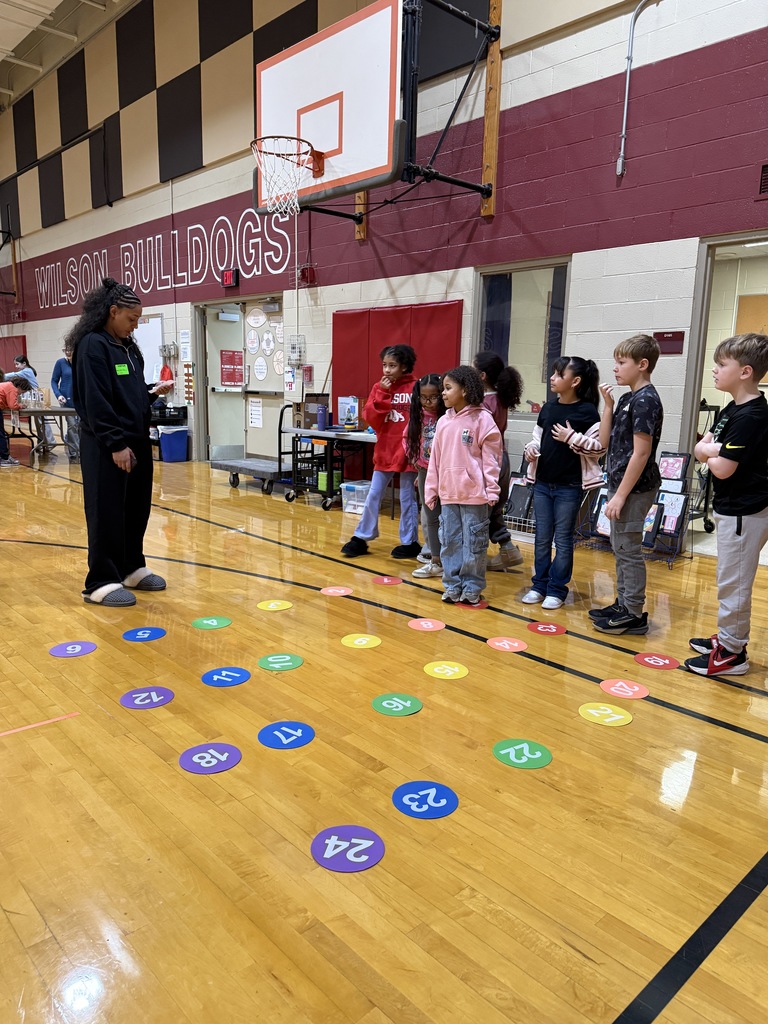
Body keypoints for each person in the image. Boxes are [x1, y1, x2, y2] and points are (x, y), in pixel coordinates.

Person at [67, 277, 173, 606]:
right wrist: (115, 444)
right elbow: (96, 401)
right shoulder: (92, 346)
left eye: (139, 320)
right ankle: (100, 580)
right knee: (106, 511)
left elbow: (129, 392)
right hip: (105, 446)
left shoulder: (128, 348)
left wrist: (151, 394)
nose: (135, 326)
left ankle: (130, 567)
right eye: (132, 319)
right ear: (112, 312)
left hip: (137, 441)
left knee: (135, 509)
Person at [685, 333, 768, 676]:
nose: (715, 371)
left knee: (733, 581)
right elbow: (704, 446)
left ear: (745, 371)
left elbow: (720, 466)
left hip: (744, 511)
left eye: (722, 365)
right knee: (729, 577)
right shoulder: (733, 408)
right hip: (732, 507)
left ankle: (732, 653)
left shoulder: (752, 416)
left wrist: (707, 451)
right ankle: (728, 636)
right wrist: (708, 450)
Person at [590, 334, 663, 635]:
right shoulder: (626, 398)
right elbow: (604, 442)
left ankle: (633, 612)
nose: (616, 369)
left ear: (642, 364)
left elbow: (642, 452)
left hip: (634, 488)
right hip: (620, 484)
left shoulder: (646, 400)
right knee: (619, 547)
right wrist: (607, 405)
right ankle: (623, 603)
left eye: (622, 362)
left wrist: (620, 496)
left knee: (629, 549)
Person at [523, 356, 604, 609]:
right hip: (543, 484)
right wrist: (531, 449)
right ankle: (539, 585)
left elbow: (598, 449)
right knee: (542, 538)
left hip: (569, 487)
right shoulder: (548, 408)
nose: (552, 378)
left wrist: (571, 437)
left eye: (559, 374)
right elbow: (537, 438)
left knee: (564, 539)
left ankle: (557, 589)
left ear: (575, 381)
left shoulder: (588, 411)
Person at [425, 365, 502, 605]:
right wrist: (432, 488)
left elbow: (492, 460)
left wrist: (491, 489)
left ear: (466, 390)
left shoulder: (483, 419)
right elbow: (434, 459)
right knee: (449, 542)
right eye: (443, 389)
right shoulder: (443, 422)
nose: (443, 394)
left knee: (474, 545)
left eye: (448, 388)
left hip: (475, 496)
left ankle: (472, 587)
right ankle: (452, 585)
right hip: (449, 495)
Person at [340, 344, 420, 559]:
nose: (386, 370)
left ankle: (410, 541)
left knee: (407, 497)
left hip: (408, 451)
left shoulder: (416, 387)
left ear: (404, 366)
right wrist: (383, 393)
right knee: (374, 494)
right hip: (385, 449)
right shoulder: (379, 387)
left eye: (392, 365)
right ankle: (361, 536)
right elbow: (371, 418)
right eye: (384, 365)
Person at [473, 351, 524, 571]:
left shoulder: (484, 403)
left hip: (489, 461)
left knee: (481, 512)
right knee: (493, 511)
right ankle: (507, 548)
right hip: (502, 460)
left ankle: (476, 556)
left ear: (482, 375)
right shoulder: (499, 399)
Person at [404, 374, 446, 579]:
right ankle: (435, 560)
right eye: (424, 397)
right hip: (424, 471)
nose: (428, 402)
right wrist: (414, 460)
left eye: (434, 397)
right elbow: (407, 438)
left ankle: (451, 559)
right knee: (430, 516)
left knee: (448, 516)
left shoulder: (448, 417)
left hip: (445, 474)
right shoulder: (418, 416)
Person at [8, 354, 56, 450]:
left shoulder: (26, 371)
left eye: (17, 364)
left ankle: (50, 442)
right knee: (39, 422)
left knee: (43, 421)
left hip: (37, 398)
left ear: (24, 363)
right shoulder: (26, 371)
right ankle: (42, 442)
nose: (16, 367)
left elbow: (10, 375)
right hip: (33, 399)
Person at [51, 343, 80, 459]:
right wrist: (58, 395)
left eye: (70, 350)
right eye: (65, 350)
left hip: (81, 400)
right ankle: (75, 453)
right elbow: (54, 381)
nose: (67, 352)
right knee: (72, 425)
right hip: (66, 400)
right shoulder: (60, 363)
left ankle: (83, 450)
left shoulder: (81, 361)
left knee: (82, 426)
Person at [0, 370, 33, 466]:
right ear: (20, 387)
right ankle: (4, 458)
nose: (20, 394)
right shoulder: (13, 389)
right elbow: (13, 405)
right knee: (1, 435)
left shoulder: (7, 385)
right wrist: (20, 405)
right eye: (22, 392)